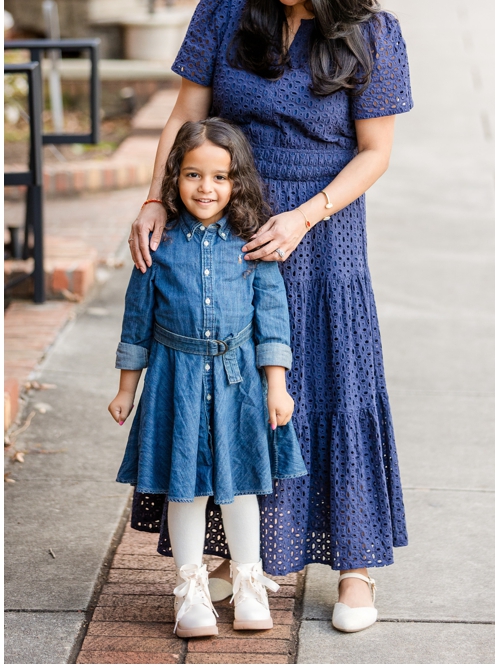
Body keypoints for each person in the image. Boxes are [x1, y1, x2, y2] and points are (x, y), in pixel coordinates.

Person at [128, 0, 412, 633]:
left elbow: (376, 153)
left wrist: (307, 217)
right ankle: (234, 556)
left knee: (331, 384)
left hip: (323, 231)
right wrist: (158, 198)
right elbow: (186, 114)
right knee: (235, 387)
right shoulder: (226, 10)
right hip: (229, 229)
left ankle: (355, 571)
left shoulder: (373, 35)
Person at [109, 118, 306, 638]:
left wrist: (277, 385)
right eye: (193, 174)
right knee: (186, 488)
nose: (205, 188)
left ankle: (247, 583)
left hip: (239, 383)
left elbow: (273, 317)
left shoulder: (250, 241)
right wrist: (128, 387)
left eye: (220, 177)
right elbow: (137, 318)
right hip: (175, 382)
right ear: (175, 176)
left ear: (237, 181)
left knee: (239, 485)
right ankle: (191, 590)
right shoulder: (158, 241)